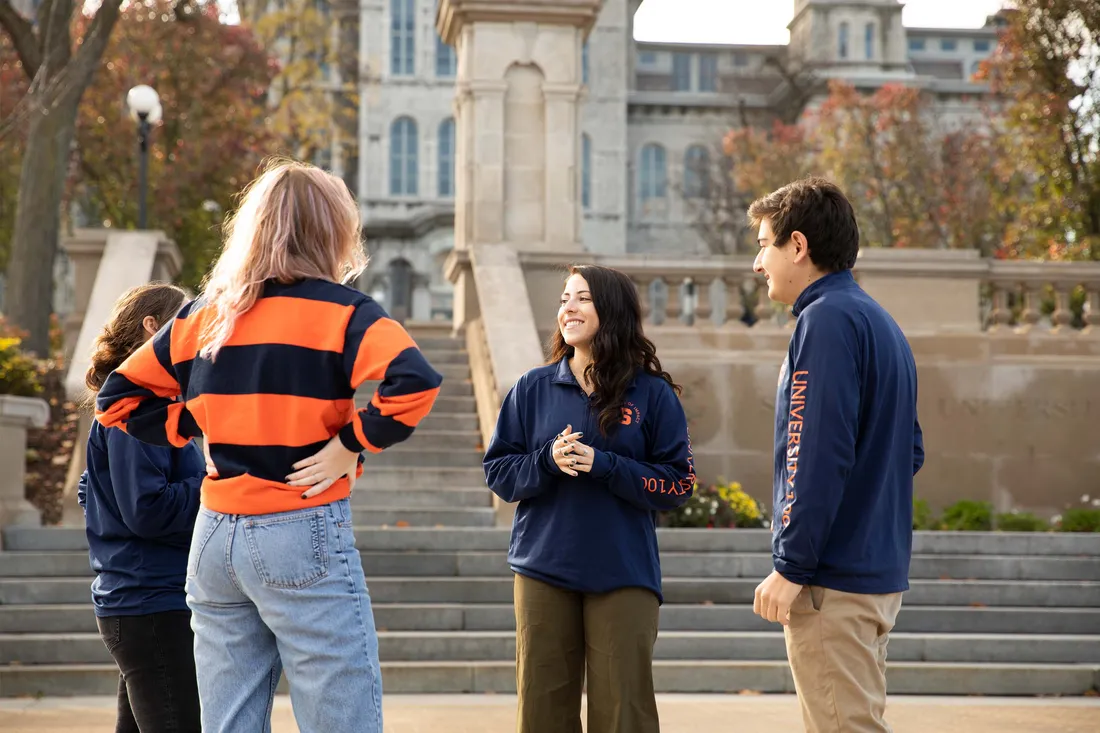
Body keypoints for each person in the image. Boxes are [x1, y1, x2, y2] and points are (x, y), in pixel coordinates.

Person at [94, 159, 443, 733]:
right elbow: (416, 383)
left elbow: (116, 398)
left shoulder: (204, 314)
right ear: (332, 230)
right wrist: (351, 443)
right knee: (341, 718)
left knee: (228, 722)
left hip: (214, 538)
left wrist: (197, 423)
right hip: (299, 527)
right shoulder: (344, 311)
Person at [483, 264, 695, 733]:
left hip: (624, 571)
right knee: (542, 712)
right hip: (543, 568)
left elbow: (678, 484)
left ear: (612, 309)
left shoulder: (653, 394)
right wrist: (546, 461)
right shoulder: (530, 389)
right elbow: (498, 472)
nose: (568, 308)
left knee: (625, 713)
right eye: (564, 298)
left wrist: (604, 466)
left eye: (582, 298)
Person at [748, 178, 924, 733]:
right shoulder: (881, 324)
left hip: (833, 582)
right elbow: (908, 450)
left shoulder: (823, 322)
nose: (758, 264)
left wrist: (791, 564)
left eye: (764, 244)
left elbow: (812, 450)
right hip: (875, 573)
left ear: (797, 246)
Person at [77, 282, 203, 733]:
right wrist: (215, 481)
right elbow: (147, 510)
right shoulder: (139, 407)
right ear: (153, 326)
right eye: (184, 320)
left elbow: (94, 490)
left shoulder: (144, 404)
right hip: (152, 605)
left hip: (144, 603)